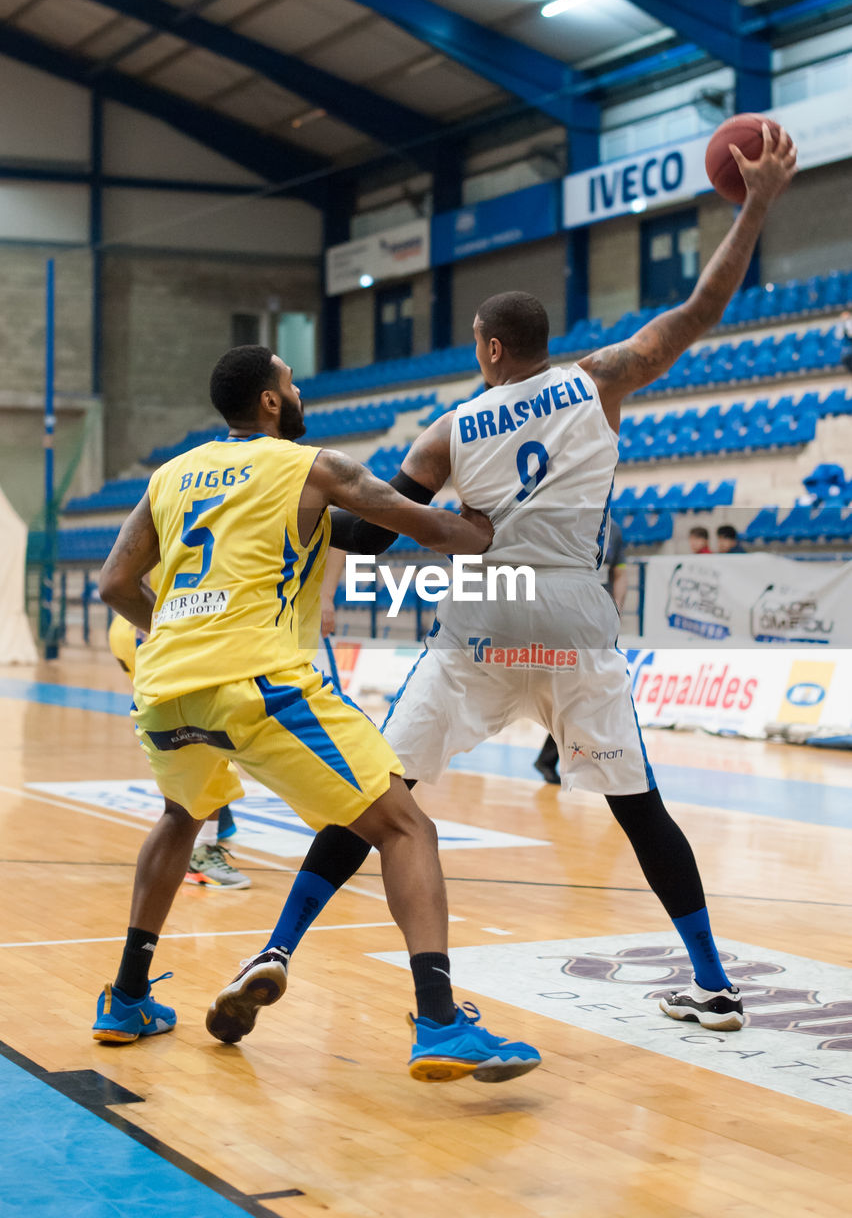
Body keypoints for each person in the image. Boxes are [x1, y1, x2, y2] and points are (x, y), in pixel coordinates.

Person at [256, 122, 797, 1034]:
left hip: (489, 604)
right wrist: (758, 206)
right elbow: (703, 308)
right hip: (577, 606)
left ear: (491, 349)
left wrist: (287, 481)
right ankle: (712, 982)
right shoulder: (601, 380)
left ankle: (275, 947)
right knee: (641, 807)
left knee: (377, 792)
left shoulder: (449, 428)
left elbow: (374, 536)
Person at [93, 344, 540, 1085]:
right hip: (260, 679)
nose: (297, 392)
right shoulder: (308, 467)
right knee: (405, 826)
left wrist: (172, 633)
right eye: (291, 383)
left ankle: (127, 999)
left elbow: (114, 581)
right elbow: (423, 527)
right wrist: (481, 528)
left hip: (167, 682)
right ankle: (438, 1023)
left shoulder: (169, 477)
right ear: (271, 402)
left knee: (181, 815)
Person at [109, 605, 250, 889]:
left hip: (145, 625)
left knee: (196, 733)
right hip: (158, 626)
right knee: (205, 735)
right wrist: (152, 629)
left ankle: (208, 822)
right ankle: (200, 851)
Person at [533, 518, 626, 784]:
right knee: (582, 692)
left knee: (589, 692)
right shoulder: (563, 525)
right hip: (569, 620)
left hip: (598, 621)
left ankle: (551, 757)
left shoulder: (615, 531)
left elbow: (619, 572)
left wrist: (617, 608)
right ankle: (558, 757)